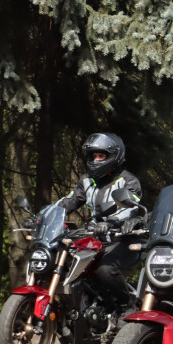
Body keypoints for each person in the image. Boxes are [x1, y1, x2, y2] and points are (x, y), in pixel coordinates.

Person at [59, 132, 144, 313]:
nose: (96, 160)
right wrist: (45, 215)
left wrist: (113, 221)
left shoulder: (128, 180)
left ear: (114, 156)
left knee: (106, 269)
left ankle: (126, 304)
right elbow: (69, 201)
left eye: (101, 156)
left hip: (125, 237)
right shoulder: (87, 181)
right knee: (64, 259)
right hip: (97, 238)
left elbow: (131, 206)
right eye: (94, 156)